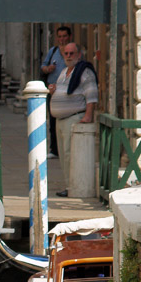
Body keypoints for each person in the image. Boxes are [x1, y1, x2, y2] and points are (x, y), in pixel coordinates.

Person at [49, 42, 98, 197]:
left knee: (70, 153)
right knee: (63, 155)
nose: (69, 56)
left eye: (72, 53)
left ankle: (73, 187)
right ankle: (68, 185)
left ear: (78, 55)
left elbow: (91, 93)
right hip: (60, 119)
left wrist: (88, 115)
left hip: (73, 117)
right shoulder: (64, 71)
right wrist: (54, 92)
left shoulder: (84, 72)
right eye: (66, 54)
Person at [40, 26, 71, 158]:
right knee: (52, 120)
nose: (62, 39)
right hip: (53, 91)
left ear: (69, 37)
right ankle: (54, 149)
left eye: (64, 36)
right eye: (60, 37)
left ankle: (66, 148)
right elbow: (43, 66)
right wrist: (47, 69)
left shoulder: (71, 51)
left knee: (67, 119)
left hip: (68, 91)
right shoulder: (53, 51)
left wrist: (65, 54)